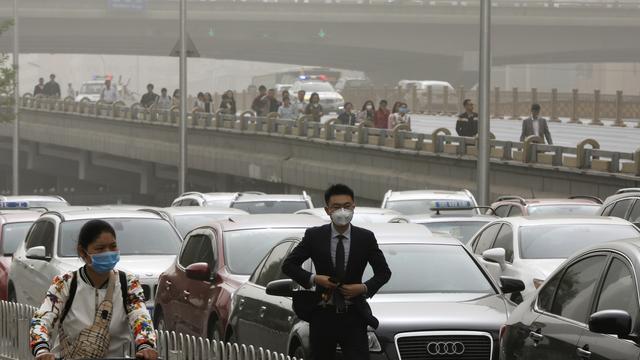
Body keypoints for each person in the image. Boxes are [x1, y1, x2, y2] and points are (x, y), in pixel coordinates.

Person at [282, 184, 391, 360]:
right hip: (323, 314)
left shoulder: (365, 238)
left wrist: (363, 288)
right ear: (327, 210)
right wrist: (315, 279)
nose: (342, 211)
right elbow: (289, 265)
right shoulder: (314, 236)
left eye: (347, 206)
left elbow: (384, 273)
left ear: (354, 207)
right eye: (336, 207)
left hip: (354, 314)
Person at [29, 220, 158, 360]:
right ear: (82, 252)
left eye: (113, 246)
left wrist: (146, 346)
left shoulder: (128, 283)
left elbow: (140, 316)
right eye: (100, 248)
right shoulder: (65, 283)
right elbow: (42, 319)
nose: (108, 253)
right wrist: (41, 350)